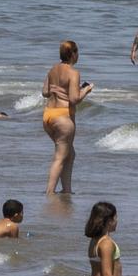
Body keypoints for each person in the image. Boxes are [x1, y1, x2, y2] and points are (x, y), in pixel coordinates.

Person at [44, 40, 92, 195]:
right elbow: (73, 99)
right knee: (60, 156)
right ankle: (49, 192)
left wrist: (58, 89)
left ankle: (67, 190)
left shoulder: (52, 69)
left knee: (69, 153)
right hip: (63, 117)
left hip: (48, 116)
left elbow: (45, 92)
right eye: (77, 52)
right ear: (73, 54)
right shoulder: (73, 72)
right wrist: (86, 90)